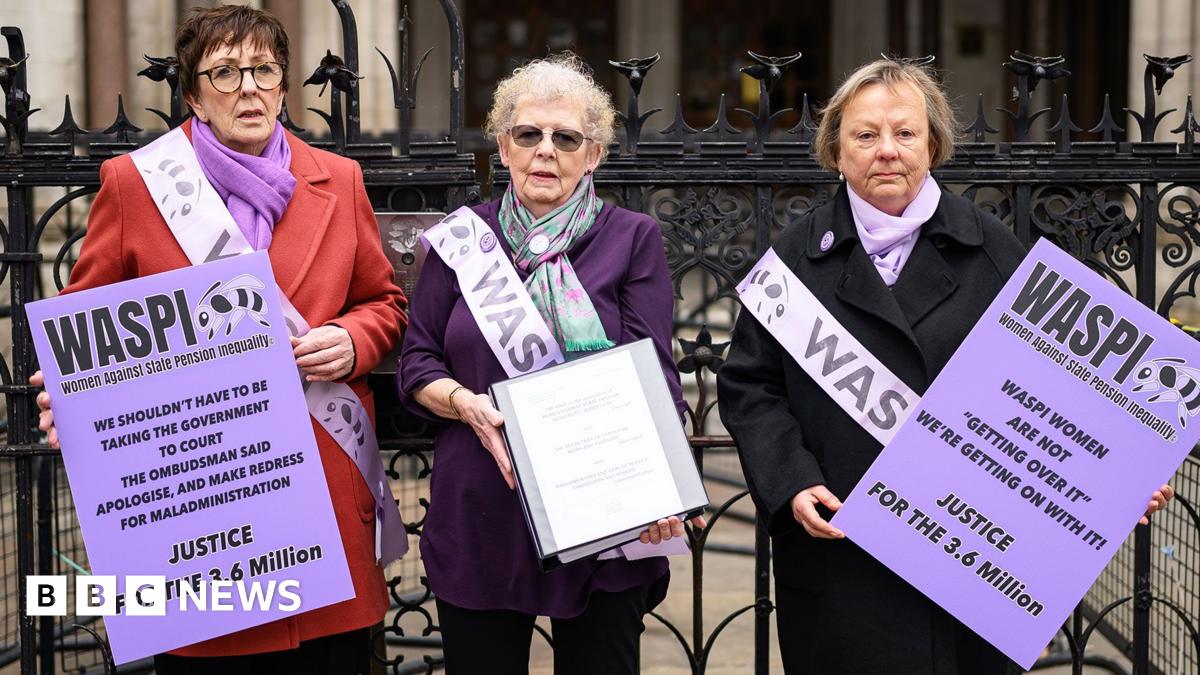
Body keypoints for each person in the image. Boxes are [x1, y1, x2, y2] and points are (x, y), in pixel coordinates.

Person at [716, 58, 1174, 675]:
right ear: (836, 150)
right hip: (843, 559)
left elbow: (1071, 391)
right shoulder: (795, 254)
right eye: (865, 135)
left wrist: (1121, 476)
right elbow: (750, 384)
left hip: (970, 572)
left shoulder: (994, 250)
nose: (886, 151)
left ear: (932, 144)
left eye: (905, 133)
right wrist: (791, 478)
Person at [31, 5, 406, 673]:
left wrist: (355, 339)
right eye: (225, 72)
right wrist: (74, 399)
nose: (248, 88)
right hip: (203, 508)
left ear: (284, 84)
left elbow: (384, 301)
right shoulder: (135, 185)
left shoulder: (339, 181)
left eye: (263, 69)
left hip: (322, 488)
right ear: (194, 95)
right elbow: (86, 325)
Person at [396, 52, 702, 675]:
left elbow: (655, 369)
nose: (545, 151)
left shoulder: (632, 238)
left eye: (566, 138)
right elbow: (416, 362)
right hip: (484, 499)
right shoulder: (462, 241)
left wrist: (664, 484)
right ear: (503, 146)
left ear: (592, 154)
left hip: (602, 509)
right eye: (528, 134)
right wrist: (463, 403)